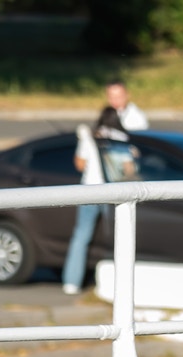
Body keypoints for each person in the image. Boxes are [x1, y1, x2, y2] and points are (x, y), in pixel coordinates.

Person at [62, 107, 129, 295]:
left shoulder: (90, 137)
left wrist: (82, 141)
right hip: (113, 192)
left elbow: (79, 164)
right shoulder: (120, 138)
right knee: (119, 236)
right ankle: (118, 282)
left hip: (89, 191)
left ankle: (71, 282)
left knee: (81, 236)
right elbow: (128, 169)